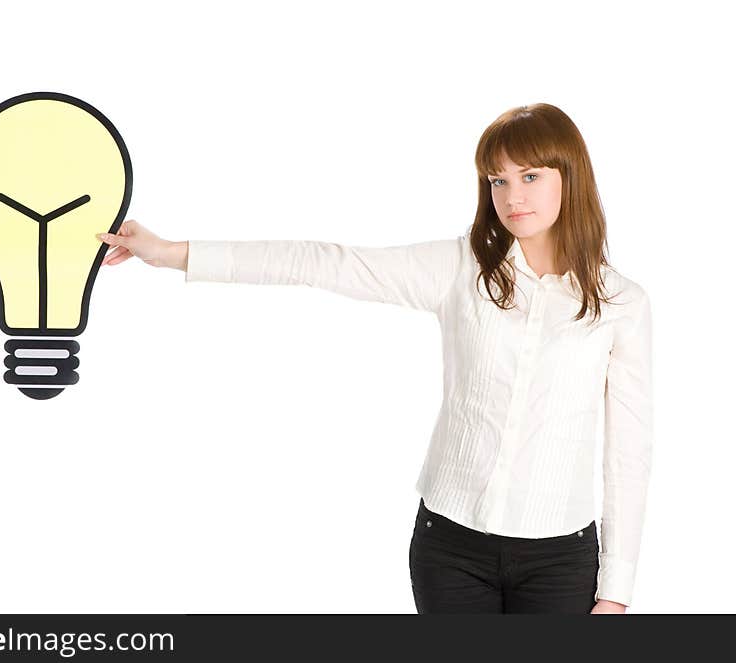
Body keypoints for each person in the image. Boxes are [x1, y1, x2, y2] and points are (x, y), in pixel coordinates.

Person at [95, 103, 652, 614]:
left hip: (560, 559)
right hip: (451, 547)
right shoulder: (461, 269)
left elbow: (628, 453)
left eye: (530, 176)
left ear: (569, 176)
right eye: (498, 180)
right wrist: (172, 254)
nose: (512, 197)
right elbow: (324, 263)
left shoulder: (622, 304)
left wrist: (617, 591)